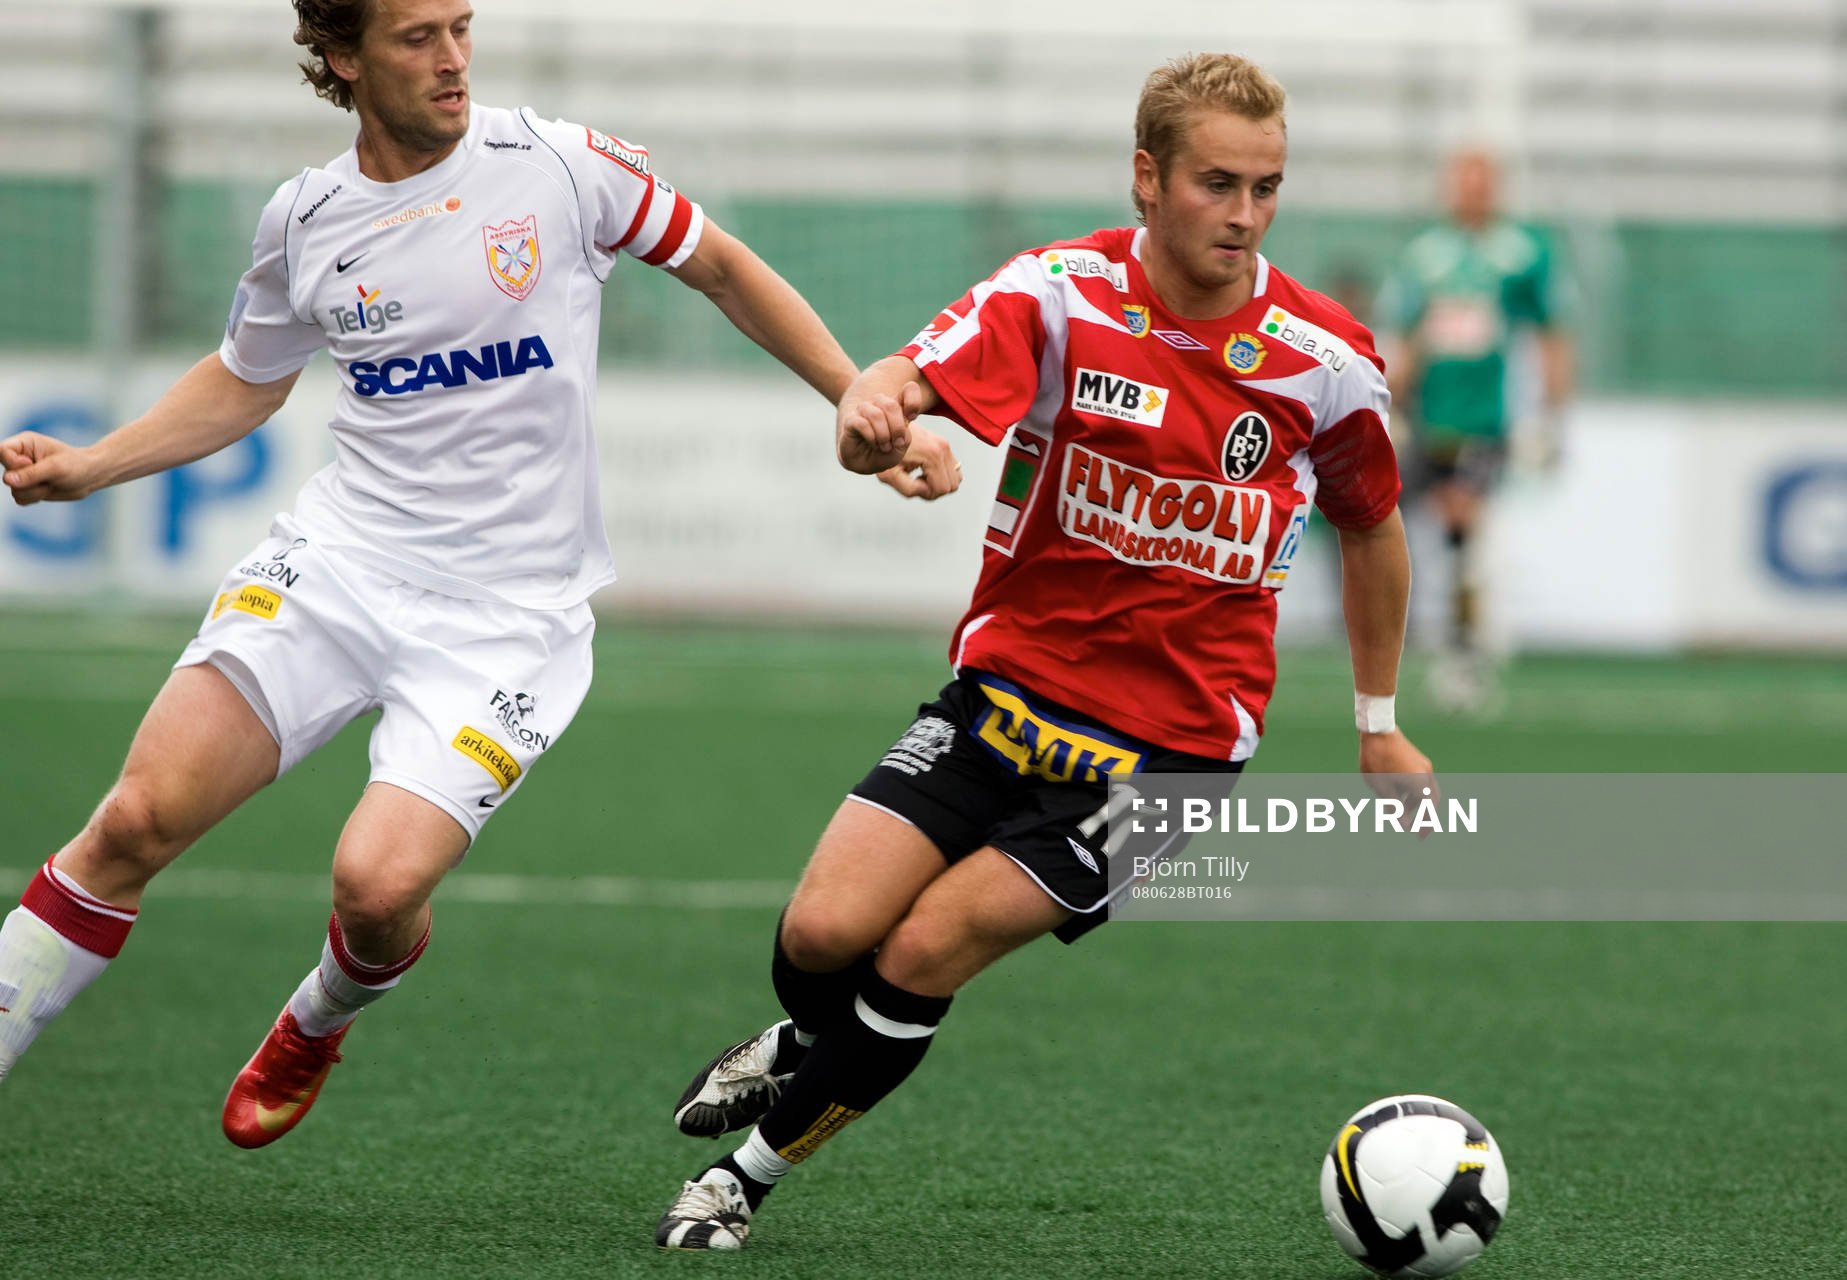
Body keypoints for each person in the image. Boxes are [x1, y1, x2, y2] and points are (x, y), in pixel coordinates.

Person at [0, 0, 956, 1146]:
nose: (452, 57)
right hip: (340, 567)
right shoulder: (304, 218)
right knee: (133, 818)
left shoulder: (556, 163)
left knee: (376, 886)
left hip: (509, 620)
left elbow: (721, 266)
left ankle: (320, 1011)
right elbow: (248, 378)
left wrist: (856, 394)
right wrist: (96, 463)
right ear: (344, 57)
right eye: (416, 36)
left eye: (460, 26)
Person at [653, 52, 1433, 1251]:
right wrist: (878, 407)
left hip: (1169, 763)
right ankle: (808, 1044)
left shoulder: (1322, 359)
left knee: (923, 947)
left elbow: (1372, 527)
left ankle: (740, 1181)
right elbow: (917, 374)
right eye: (1216, 182)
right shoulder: (1060, 293)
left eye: (1265, 187)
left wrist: (1376, 722)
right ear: (1147, 177)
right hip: (1004, 693)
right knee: (819, 936)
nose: (1242, 213)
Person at [1373, 147, 1575, 713]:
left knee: (1463, 520)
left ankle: (1463, 652)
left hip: (1485, 420)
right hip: (1426, 415)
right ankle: (1409, 642)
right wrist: (1390, 404)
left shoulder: (1523, 254)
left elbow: (1553, 333)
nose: (1471, 191)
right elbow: (1405, 335)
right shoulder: (1425, 255)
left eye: (1482, 180)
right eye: (1463, 179)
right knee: (1393, 531)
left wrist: (1553, 415)